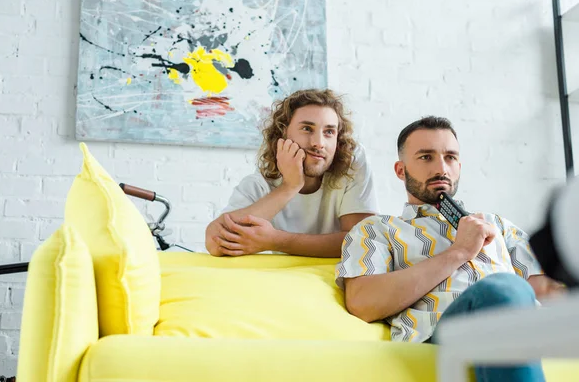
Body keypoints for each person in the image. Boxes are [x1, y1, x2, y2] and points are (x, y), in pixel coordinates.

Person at [336, 116, 565, 381]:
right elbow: (363, 302)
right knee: (504, 287)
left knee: (514, 291)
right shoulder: (377, 229)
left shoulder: (497, 225)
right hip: (445, 330)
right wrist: (459, 252)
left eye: (450, 157)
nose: (441, 168)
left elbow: (544, 291)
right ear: (401, 170)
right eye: (426, 157)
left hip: (522, 326)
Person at [205, 88, 379, 257]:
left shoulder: (351, 163)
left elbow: (363, 242)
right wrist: (290, 186)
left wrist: (277, 240)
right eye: (307, 129)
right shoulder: (258, 186)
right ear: (283, 133)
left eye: (329, 132)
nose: (319, 143)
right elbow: (215, 243)